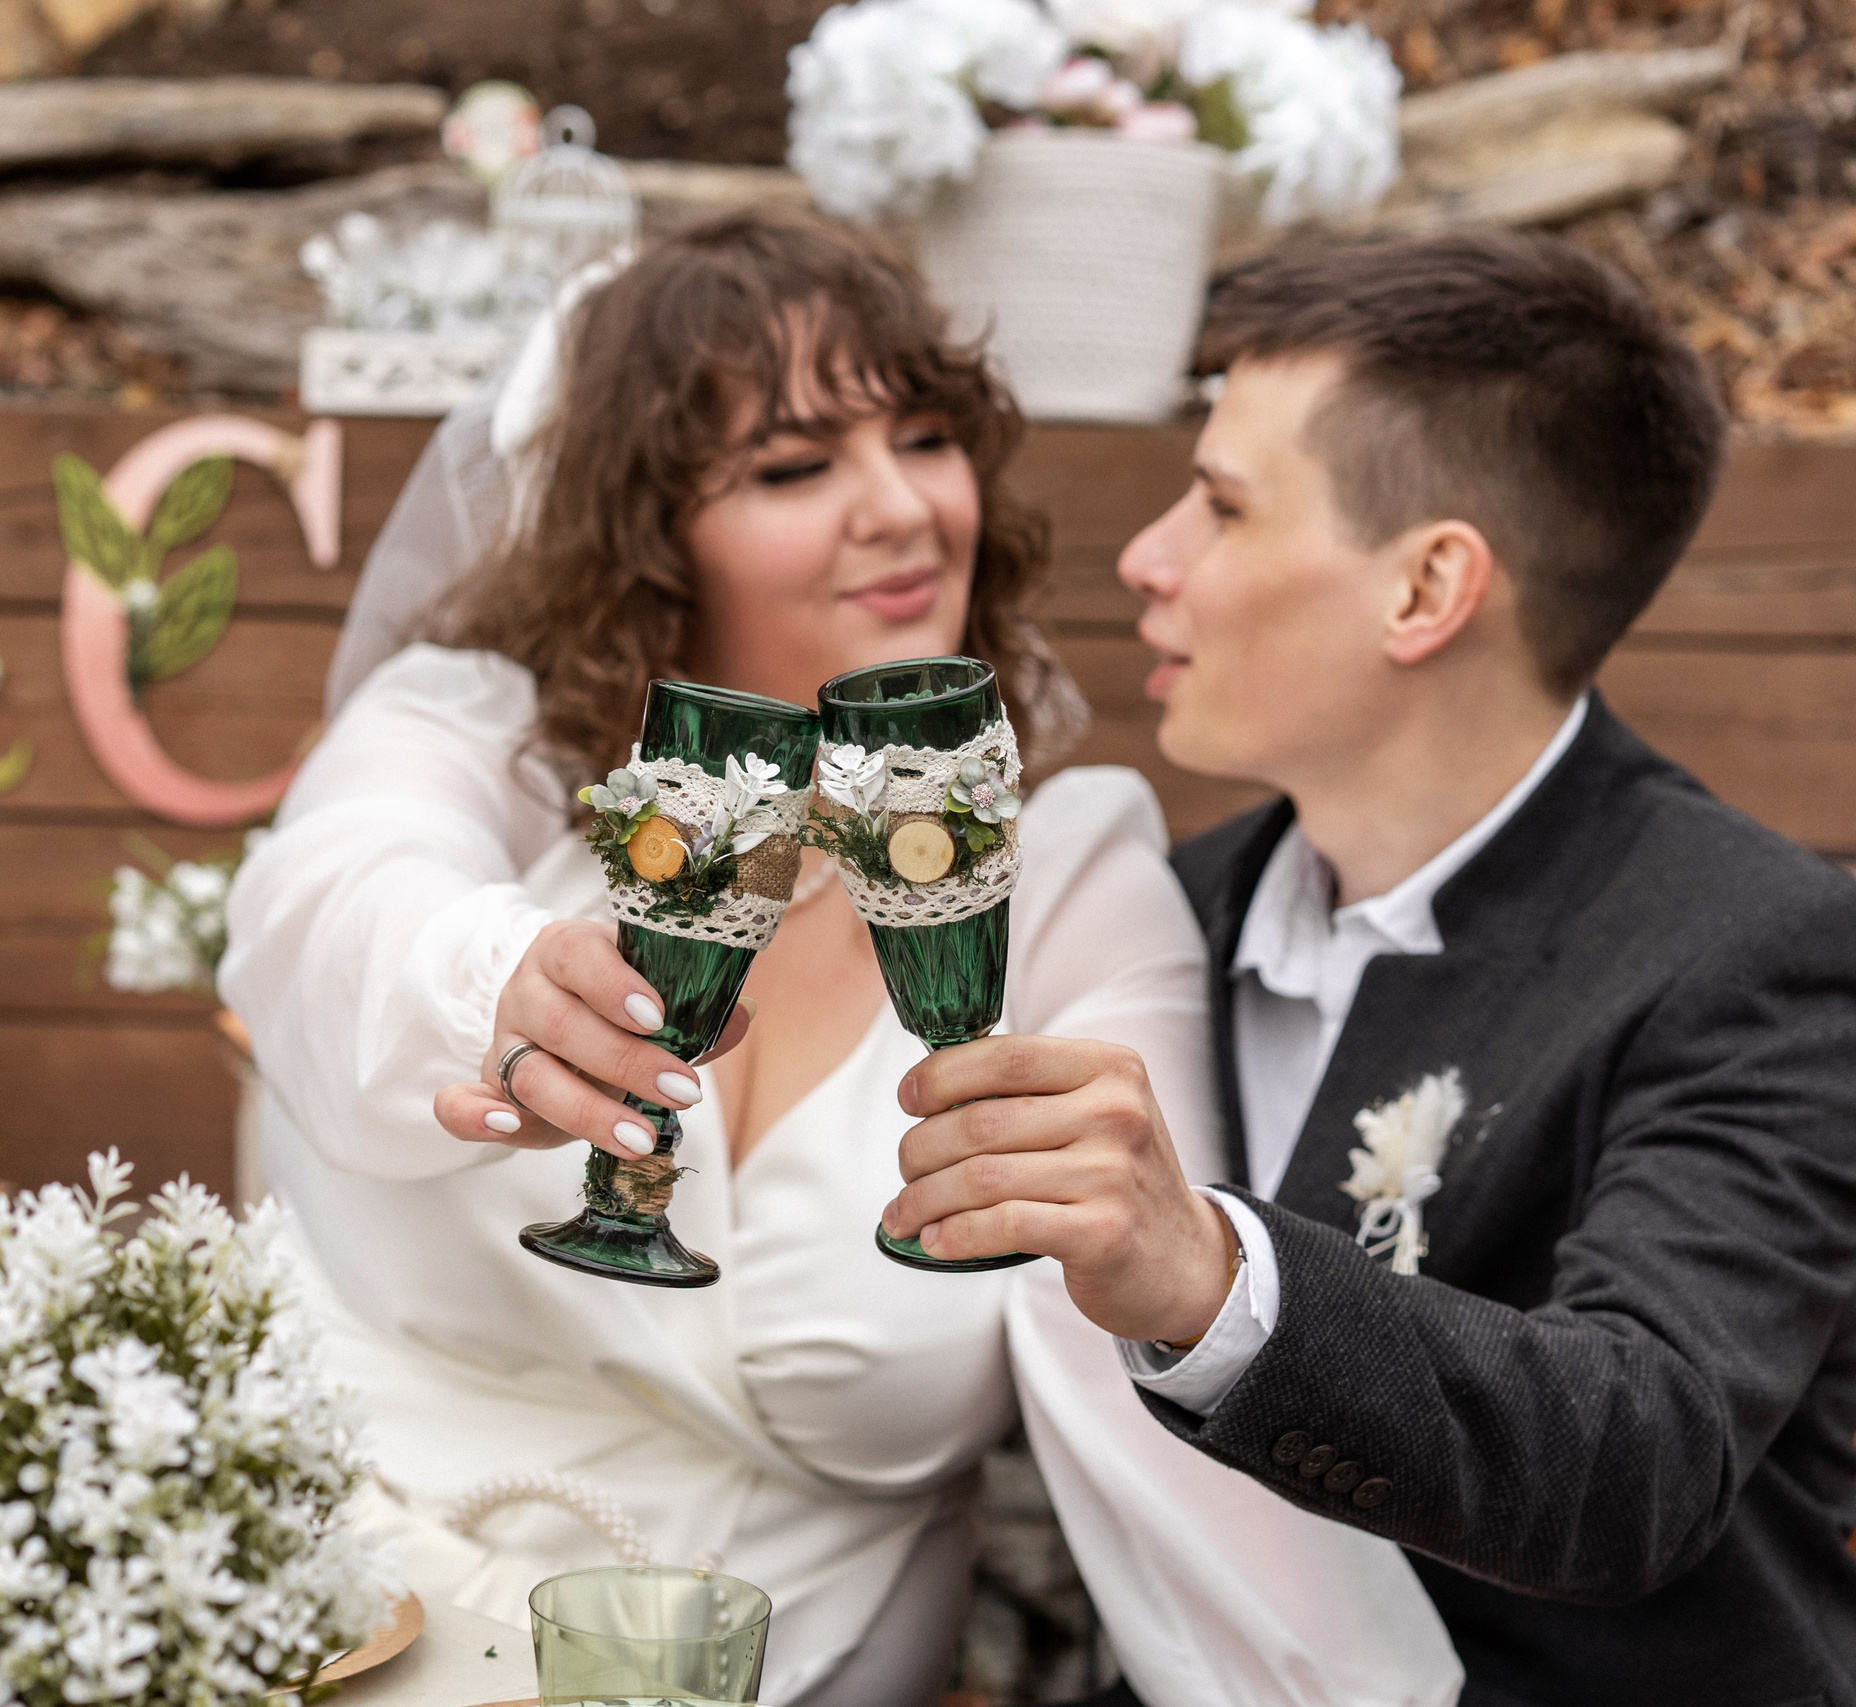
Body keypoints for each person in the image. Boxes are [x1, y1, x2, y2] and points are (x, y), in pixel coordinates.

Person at [226, 208, 1460, 1707]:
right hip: (304, 1604)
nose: (901, 509)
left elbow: (1139, 1331)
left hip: (779, 1654)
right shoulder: (478, 731)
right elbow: (332, 904)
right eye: (794, 467)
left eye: (926, 438)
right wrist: (500, 981)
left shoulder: (1059, 878)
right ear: (645, 529)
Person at [879, 229, 1856, 1707]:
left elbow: (1639, 1453)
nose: (1145, 560)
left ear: (1426, 592)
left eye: (1219, 506)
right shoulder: (1172, 912)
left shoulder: (1755, 950)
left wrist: (1207, 1271)